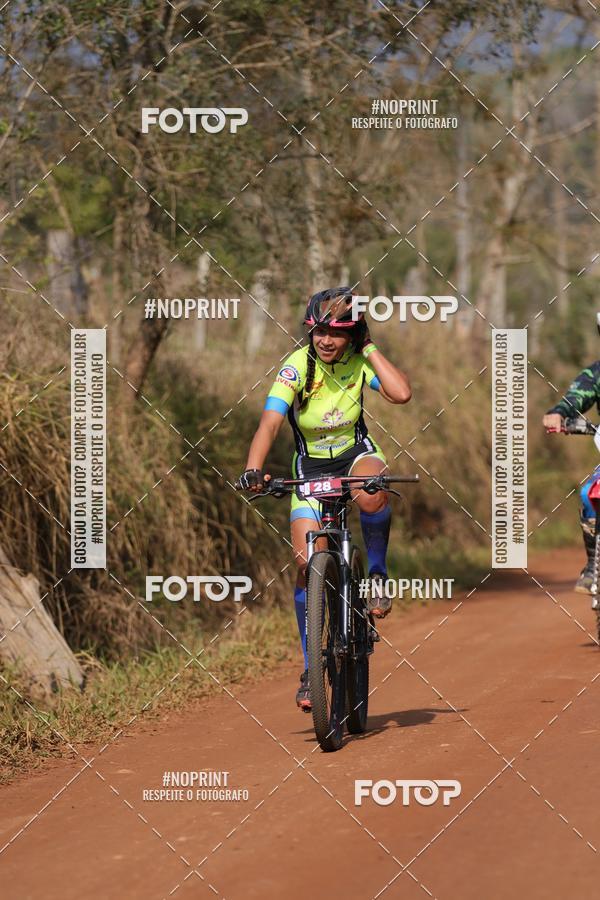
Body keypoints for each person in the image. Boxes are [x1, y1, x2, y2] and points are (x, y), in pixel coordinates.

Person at [239, 287, 412, 710]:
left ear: (353, 336)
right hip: (311, 469)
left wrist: (369, 347)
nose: (327, 340)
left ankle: (375, 573)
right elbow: (269, 423)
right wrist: (253, 469)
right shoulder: (297, 367)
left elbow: (401, 393)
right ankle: (311, 665)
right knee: (305, 564)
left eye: (338, 333)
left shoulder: (358, 362)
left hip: (356, 457)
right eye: (319, 331)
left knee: (372, 489)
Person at [543, 337, 600, 594]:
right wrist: (560, 412)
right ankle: (594, 566)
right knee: (591, 494)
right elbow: (577, 395)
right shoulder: (597, 373)